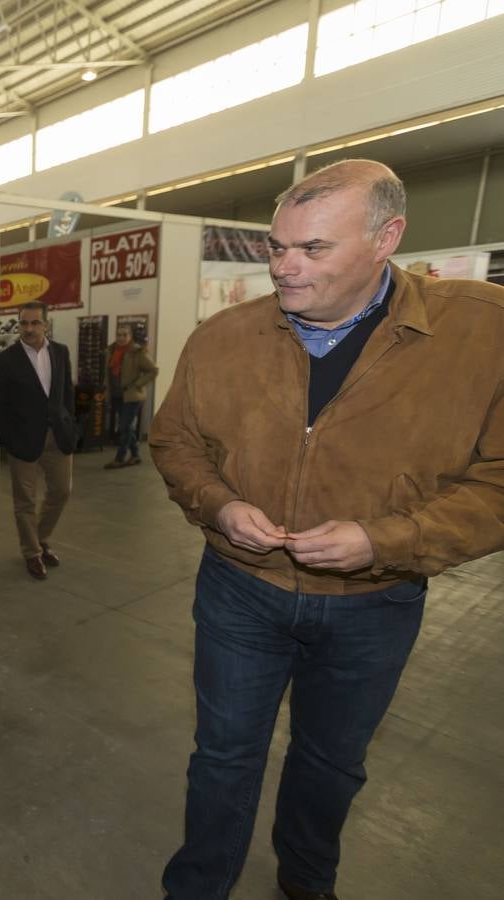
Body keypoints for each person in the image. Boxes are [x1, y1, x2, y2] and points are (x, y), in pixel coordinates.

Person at [150, 159, 504, 900]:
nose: (284, 267)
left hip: (375, 604)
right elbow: (175, 442)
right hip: (240, 593)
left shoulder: (479, 334)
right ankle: (197, 888)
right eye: (276, 247)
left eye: (313, 250)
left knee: (332, 763)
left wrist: (387, 541)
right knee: (223, 756)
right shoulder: (224, 338)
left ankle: (307, 884)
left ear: (388, 239)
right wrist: (218, 504)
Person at [0, 301, 76, 581]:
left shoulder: (60, 353)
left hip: (57, 436)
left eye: (35, 323)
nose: (28, 328)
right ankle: (32, 552)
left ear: (46, 324)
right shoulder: (4, 360)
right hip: (22, 441)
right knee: (24, 499)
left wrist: (69, 424)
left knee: (61, 491)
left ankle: (41, 537)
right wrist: (8, 437)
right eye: (24, 323)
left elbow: (67, 392)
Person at [103, 324, 158, 468]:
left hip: (132, 396)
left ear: (130, 336)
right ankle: (135, 455)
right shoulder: (110, 350)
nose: (121, 338)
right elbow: (108, 374)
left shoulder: (137, 352)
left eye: (124, 335)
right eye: (118, 334)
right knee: (127, 428)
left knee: (124, 427)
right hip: (116, 395)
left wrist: (138, 384)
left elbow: (153, 370)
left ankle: (119, 458)